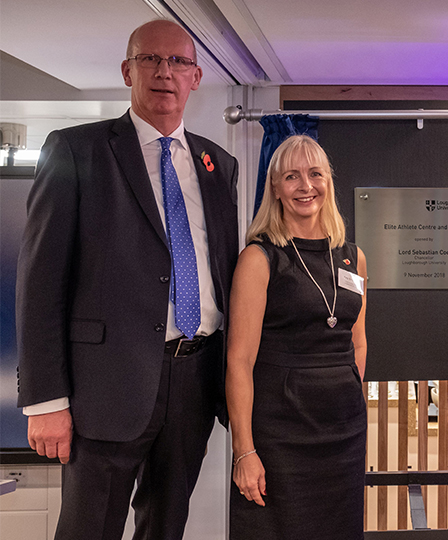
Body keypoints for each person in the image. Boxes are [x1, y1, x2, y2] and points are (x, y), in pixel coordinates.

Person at [16, 19, 239, 540]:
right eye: (151, 60)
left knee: (166, 526)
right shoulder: (76, 151)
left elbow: (225, 274)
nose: (165, 72)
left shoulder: (217, 163)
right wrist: (46, 402)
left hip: (195, 378)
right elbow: (40, 283)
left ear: (196, 77)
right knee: (89, 529)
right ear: (127, 70)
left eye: (178, 62)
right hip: (104, 386)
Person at [226, 134, 368, 539]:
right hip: (280, 433)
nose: (306, 186)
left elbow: (356, 340)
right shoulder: (259, 257)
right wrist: (244, 450)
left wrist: (347, 395)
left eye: (315, 174)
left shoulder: (351, 256)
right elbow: (239, 360)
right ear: (275, 187)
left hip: (342, 432)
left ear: (328, 181)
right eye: (292, 176)